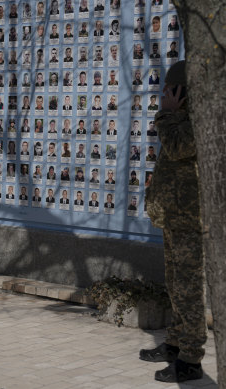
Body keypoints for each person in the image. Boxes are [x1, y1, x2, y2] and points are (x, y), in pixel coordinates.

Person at [140, 61, 206, 383]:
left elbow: (180, 147)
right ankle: (176, 343)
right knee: (175, 285)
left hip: (191, 220)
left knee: (189, 289)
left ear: (182, 92)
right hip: (174, 216)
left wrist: (167, 113)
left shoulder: (201, 118)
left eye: (170, 91)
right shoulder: (181, 117)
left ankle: (191, 359)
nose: (164, 96)